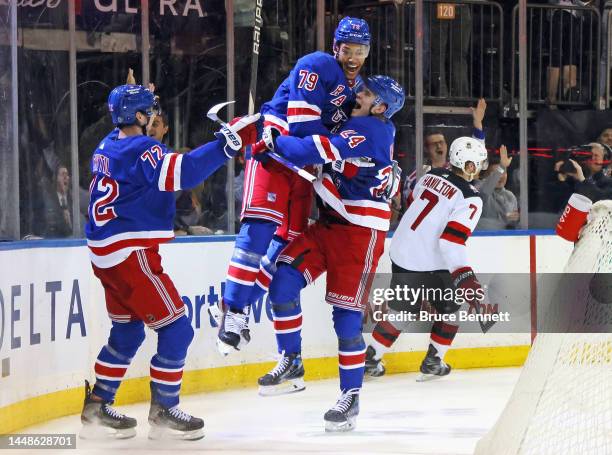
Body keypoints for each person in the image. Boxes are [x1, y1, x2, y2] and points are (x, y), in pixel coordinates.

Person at [81, 84, 259, 440]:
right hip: (130, 252)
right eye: (151, 111)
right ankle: (164, 409)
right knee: (178, 328)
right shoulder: (141, 147)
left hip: (104, 254)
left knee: (129, 330)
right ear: (141, 117)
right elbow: (185, 173)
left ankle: (98, 404)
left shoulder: (107, 144)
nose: (156, 117)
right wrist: (226, 145)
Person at [252, 76, 405, 432]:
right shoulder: (357, 121)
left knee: (346, 321)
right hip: (329, 223)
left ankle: (350, 396)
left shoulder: (372, 129)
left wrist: (275, 139)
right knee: (283, 282)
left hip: (359, 234)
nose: (358, 94)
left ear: (380, 107)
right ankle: (291, 360)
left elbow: (313, 151)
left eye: (367, 94)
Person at [215, 17, 372, 355]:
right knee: (258, 231)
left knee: (282, 250)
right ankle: (232, 311)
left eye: (361, 50)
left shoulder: (360, 91)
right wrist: (336, 149)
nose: (354, 57)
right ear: (336, 48)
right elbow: (301, 126)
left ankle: (236, 311)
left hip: (304, 169)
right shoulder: (316, 65)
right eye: (348, 49)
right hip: (275, 152)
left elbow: (352, 138)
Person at [365, 136, 488, 381]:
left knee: (401, 310)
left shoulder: (429, 176)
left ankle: (371, 358)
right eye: (478, 163)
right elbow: (451, 241)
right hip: (429, 260)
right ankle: (434, 360)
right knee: (452, 310)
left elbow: (411, 205)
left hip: (401, 251)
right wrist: (465, 277)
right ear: (469, 166)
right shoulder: (470, 197)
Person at [476, 145, 519, 230]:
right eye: (495, 173)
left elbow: (514, 226)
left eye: (504, 173)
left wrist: (515, 219)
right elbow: (485, 190)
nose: (501, 176)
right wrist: (502, 166)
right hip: (482, 240)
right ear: (485, 176)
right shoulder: (480, 191)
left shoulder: (510, 196)